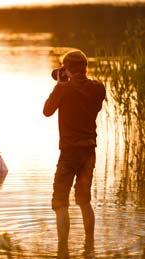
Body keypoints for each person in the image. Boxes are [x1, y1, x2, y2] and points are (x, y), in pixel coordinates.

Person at [43, 50, 105, 245]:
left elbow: (47, 111)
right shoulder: (98, 88)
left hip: (69, 154)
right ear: (85, 67)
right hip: (89, 153)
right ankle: (90, 245)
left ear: (67, 69)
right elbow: (91, 105)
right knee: (84, 200)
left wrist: (60, 85)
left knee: (60, 202)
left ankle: (62, 250)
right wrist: (66, 82)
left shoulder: (63, 89)